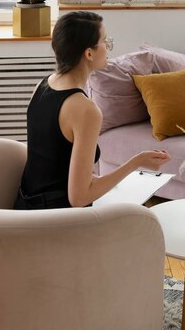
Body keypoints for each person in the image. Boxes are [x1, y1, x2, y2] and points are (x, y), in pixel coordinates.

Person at [14, 11, 170, 210]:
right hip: (54, 221)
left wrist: (103, 181)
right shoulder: (85, 110)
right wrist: (135, 163)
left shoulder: (42, 86)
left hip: (23, 207)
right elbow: (78, 199)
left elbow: (51, 164)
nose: (108, 47)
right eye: (105, 41)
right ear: (89, 53)